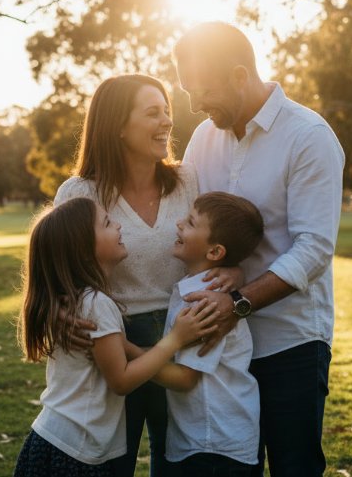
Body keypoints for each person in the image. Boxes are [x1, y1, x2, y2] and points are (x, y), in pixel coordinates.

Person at [173, 22, 345, 477]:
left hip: (290, 341)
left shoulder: (309, 136)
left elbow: (314, 248)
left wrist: (238, 300)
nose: (194, 105)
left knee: (294, 467)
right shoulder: (202, 140)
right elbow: (189, 228)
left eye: (201, 90)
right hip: (221, 348)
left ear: (238, 76)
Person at [53, 74, 239, 477]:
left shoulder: (188, 180)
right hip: (110, 342)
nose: (167, 122)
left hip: (184, 333)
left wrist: (234, 269)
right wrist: (60, 314)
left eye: (167, 111)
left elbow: (218, 238)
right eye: (153, 112)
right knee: (112, 464)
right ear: (118, 125)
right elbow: (55, 276)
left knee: (176, 462)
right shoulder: (78, 193)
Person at [14, 197, 219, 477]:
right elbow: (121, 380)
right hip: (75, 451)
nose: (119, 225)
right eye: (107, 223)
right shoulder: (96, 303)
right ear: (84, 249)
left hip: (56, 439)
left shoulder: (80, 301)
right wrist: (176, 339)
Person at [159, 191, 264, 475]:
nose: (180, 224)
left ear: (215, 252)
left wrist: (124, 356)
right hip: (204, 441)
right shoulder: (192, 288)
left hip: (214, 447)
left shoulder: (204, 301)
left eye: (191, 223)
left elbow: (184, 379)